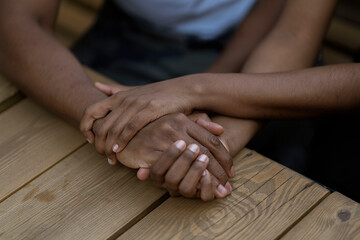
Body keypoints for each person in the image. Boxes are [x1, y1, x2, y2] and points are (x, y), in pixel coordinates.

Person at [0, 0, 339, 201]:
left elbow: (291, 30)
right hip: (127, 38)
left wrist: (214, 138)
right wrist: (108, 119)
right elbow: (15, 18)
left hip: (267, 59)